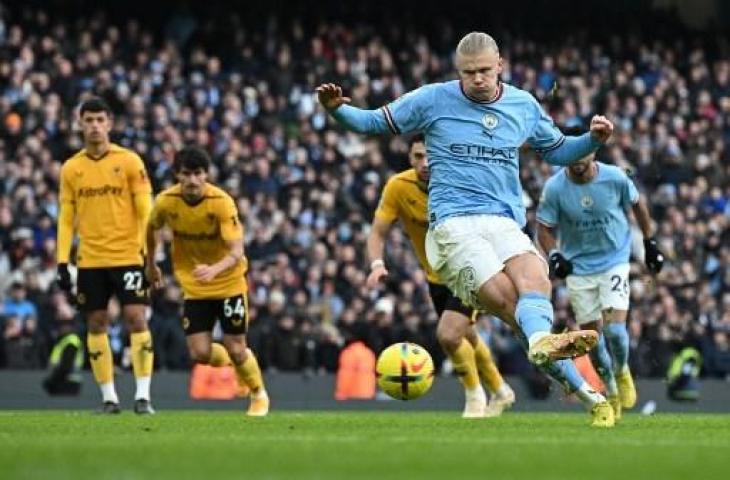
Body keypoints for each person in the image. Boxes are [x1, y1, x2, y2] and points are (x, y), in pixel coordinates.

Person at [318, 32, 616, 425]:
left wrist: (591, 140)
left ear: (500, 67)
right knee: (512, 306)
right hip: (454, 226)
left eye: (484, 71)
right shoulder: (434, 99)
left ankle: (591, 397)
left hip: (505, 220)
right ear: (458, 71)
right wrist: (337, 109)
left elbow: (558, 150)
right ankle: (574, 384)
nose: (477, 79)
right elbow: (375, 122)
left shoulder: (522, 105)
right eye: (468, 72)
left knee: (536, 284)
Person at [366, 134, 515, 418]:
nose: (425, 163)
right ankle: (500, 389)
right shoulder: (399, 187)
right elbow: (378, 231)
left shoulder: (460, 183)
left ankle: (474, 397)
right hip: (436, 279)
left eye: (430, 155)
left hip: (471, 271)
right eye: (418, 156)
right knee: (465, 334)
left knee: (448, 335)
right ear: (409, 158)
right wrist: (376, 263)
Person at [537, 140, 664, 419]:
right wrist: (555, 254)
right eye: (570, 154)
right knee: (592, 341)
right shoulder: (555, 188)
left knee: (616, 332)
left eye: (582, 153)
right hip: (579, 270)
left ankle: (621, 372)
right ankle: (610, 391)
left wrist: (650, 242)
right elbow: (544, 227)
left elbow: (638, 206)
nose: (576, 159)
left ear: (593, 151)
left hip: (614, 262)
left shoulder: (615, 177)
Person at [145, 146, 269, 416]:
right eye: (186, 174)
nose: (192, 180)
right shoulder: (166, 202)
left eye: (198, 173)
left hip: (229, 284)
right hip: (195, 286)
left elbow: (237, 251)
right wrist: (151, 262)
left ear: (206, 175)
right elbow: (151, 228)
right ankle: (240, 363)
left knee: (236, 346)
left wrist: (215, 269)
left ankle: (259, 395)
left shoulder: (221, 202)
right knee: (200, 354)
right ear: (177, 174)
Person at [56, 97, 155, 414]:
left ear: (110, 123)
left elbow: (145, 210)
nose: (95, 126)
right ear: (80, 124)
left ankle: (143, 396)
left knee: (136, 318)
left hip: (127, 255)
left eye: (100, 119)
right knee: (96, 323)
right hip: (91, 260)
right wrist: (61, 260)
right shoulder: (72, 168)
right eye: (89, 120)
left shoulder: (129, 162)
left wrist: (147, 251)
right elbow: (66, 218)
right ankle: (109, 398)